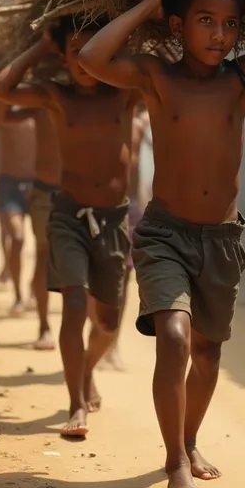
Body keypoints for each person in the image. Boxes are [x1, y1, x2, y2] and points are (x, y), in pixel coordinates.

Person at [78, 0, 245, 488]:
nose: (220, 35)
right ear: (177, 26)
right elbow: (91, 59)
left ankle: (189, 441)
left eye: (231, 24)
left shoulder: (244, 77)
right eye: (206, 21)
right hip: (165, 232)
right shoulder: (155, 77)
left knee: (208, 354)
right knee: (173, 337)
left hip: (221, 240)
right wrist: (145, 4)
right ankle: (174, 464)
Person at [0, 15, 137, 437]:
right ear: (65, 58)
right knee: (74, 303)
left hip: (112, 221)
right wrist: (45, 45)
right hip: (68, 217)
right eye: (75, 53)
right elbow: (1, 89)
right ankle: (76, 404)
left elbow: (156, 65)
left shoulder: (126, 93)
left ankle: (87, 368)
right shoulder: (55, 96)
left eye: (94, 53)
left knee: (107, 322)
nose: (84, 62)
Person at [0, 106, 60, 349]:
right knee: (21, 241)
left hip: (72, 192)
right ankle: (38, 319)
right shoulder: (33, 108)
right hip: (27, 187)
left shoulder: (75, 103)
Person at [102, 101, 151, 370]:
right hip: (101, 205)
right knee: (97, 279)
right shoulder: (100, 112)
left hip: (131, 208)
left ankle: (113, 344)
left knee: (124, 279)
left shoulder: (141, 122)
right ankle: (97, 339)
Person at [0, 104, 35, 316]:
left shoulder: (42, 113)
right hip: (9, 185)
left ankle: (34, 289)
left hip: (37, 185)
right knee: (17, 238)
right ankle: (18, 296)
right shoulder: (6, 116)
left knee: (44, 245)